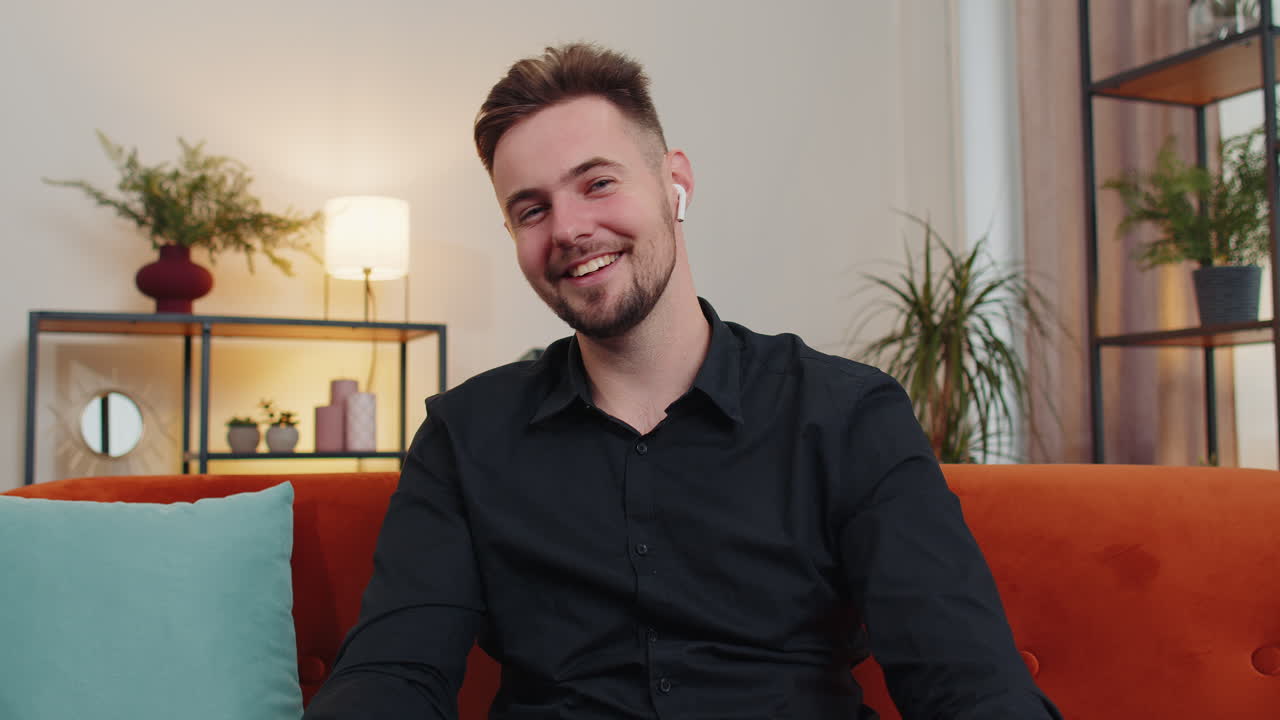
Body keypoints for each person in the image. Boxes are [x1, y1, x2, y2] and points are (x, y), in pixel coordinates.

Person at [303, 43, 1061, 719]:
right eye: (531, 209)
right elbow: (394, 674)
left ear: (675, 184)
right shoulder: (464, 436)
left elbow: (966, 681)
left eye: (596, 183)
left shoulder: (848, 416)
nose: (567, 229)